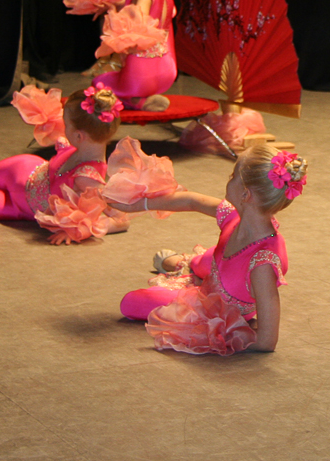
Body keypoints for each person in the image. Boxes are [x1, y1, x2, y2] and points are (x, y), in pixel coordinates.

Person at [114, 145, 306, 355]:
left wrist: (221, 333)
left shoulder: (262, 265)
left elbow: (267, 341)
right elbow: (191, 201)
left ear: (245, 194)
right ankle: (187, 263)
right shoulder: (236, 216)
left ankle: (186, 266)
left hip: (224, 301)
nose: (228, 179)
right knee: (209, 261)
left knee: (130, 303)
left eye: (233, 176)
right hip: (221, 273)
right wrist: (138, 204)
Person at [0, 85, 129, 244]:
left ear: (78, 135)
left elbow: (121, 221)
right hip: (20, 170)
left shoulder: (89, 180)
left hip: (18, 208)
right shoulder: (80, 145)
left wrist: (80, 230)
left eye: (65, 124)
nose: (62, 128)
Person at [93, 0, 181, 111]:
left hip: (140, 72)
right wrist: (113, 4)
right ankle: (143, 97)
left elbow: (135, 24)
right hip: (166, 70)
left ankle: (136, 101)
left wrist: (114, 21)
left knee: (99, 83)